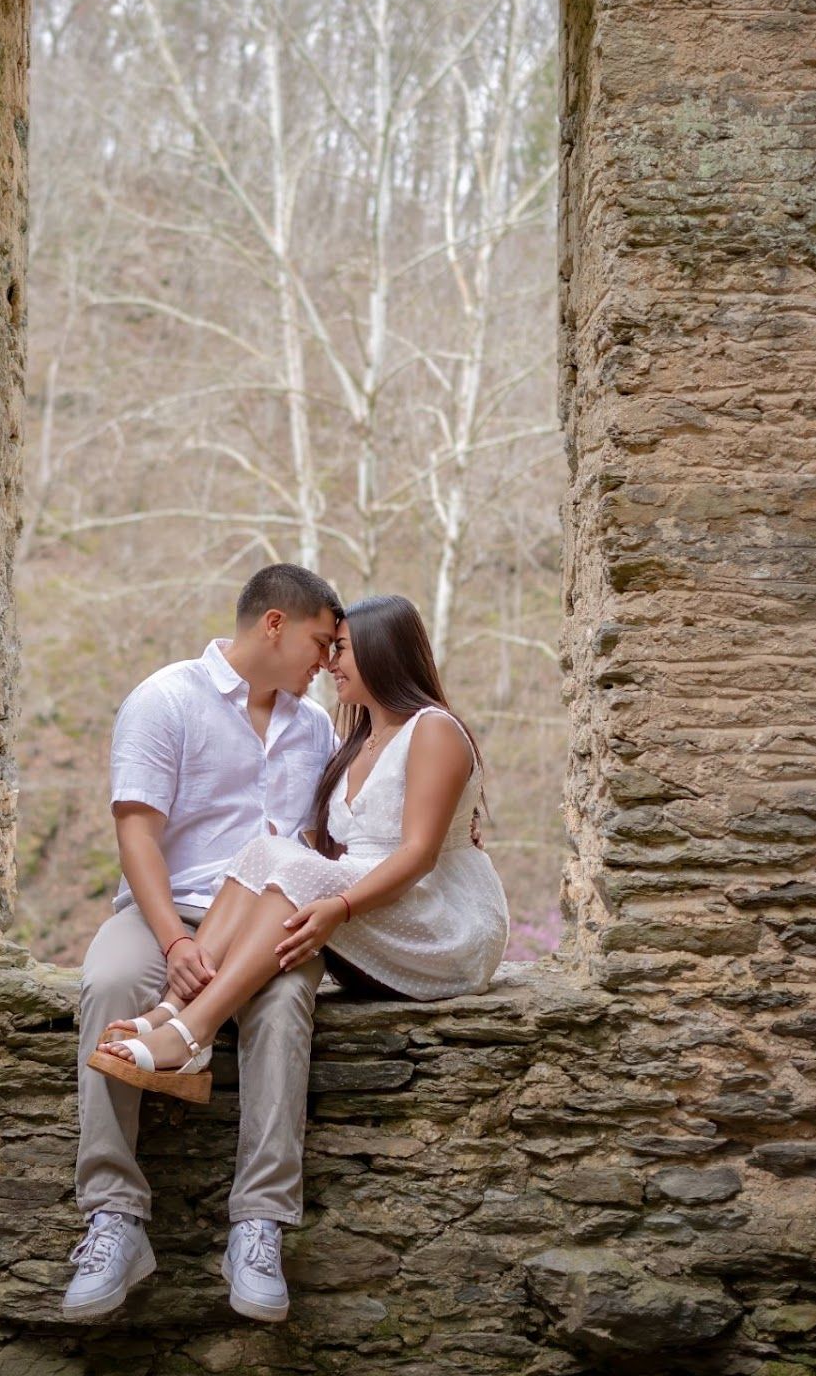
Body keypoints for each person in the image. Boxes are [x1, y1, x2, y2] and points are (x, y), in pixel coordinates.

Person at [88, 591, 511, 1321]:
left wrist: (338, 903)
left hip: (435, 920)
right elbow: (314, 849)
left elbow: (412, 854)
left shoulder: (425, 729)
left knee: (284, 888)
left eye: (340, 649)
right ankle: (166, 1023)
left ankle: (191, 1045)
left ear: (380, 651)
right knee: (268, 849)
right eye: (327, 644)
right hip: (343, 903)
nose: (329, 662)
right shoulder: (345, 737)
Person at [62, 562, 343, 1326]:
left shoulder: (316, 727)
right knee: (113, 981)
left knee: (286, 1000)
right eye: (320, 642)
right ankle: (115, 1216)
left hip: (265, 924)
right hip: (165, 910)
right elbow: (137, 832)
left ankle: (259, 1223)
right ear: (274, 624)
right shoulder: (167, 698)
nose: (326, 661)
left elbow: (332, 837)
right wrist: (170, 941)